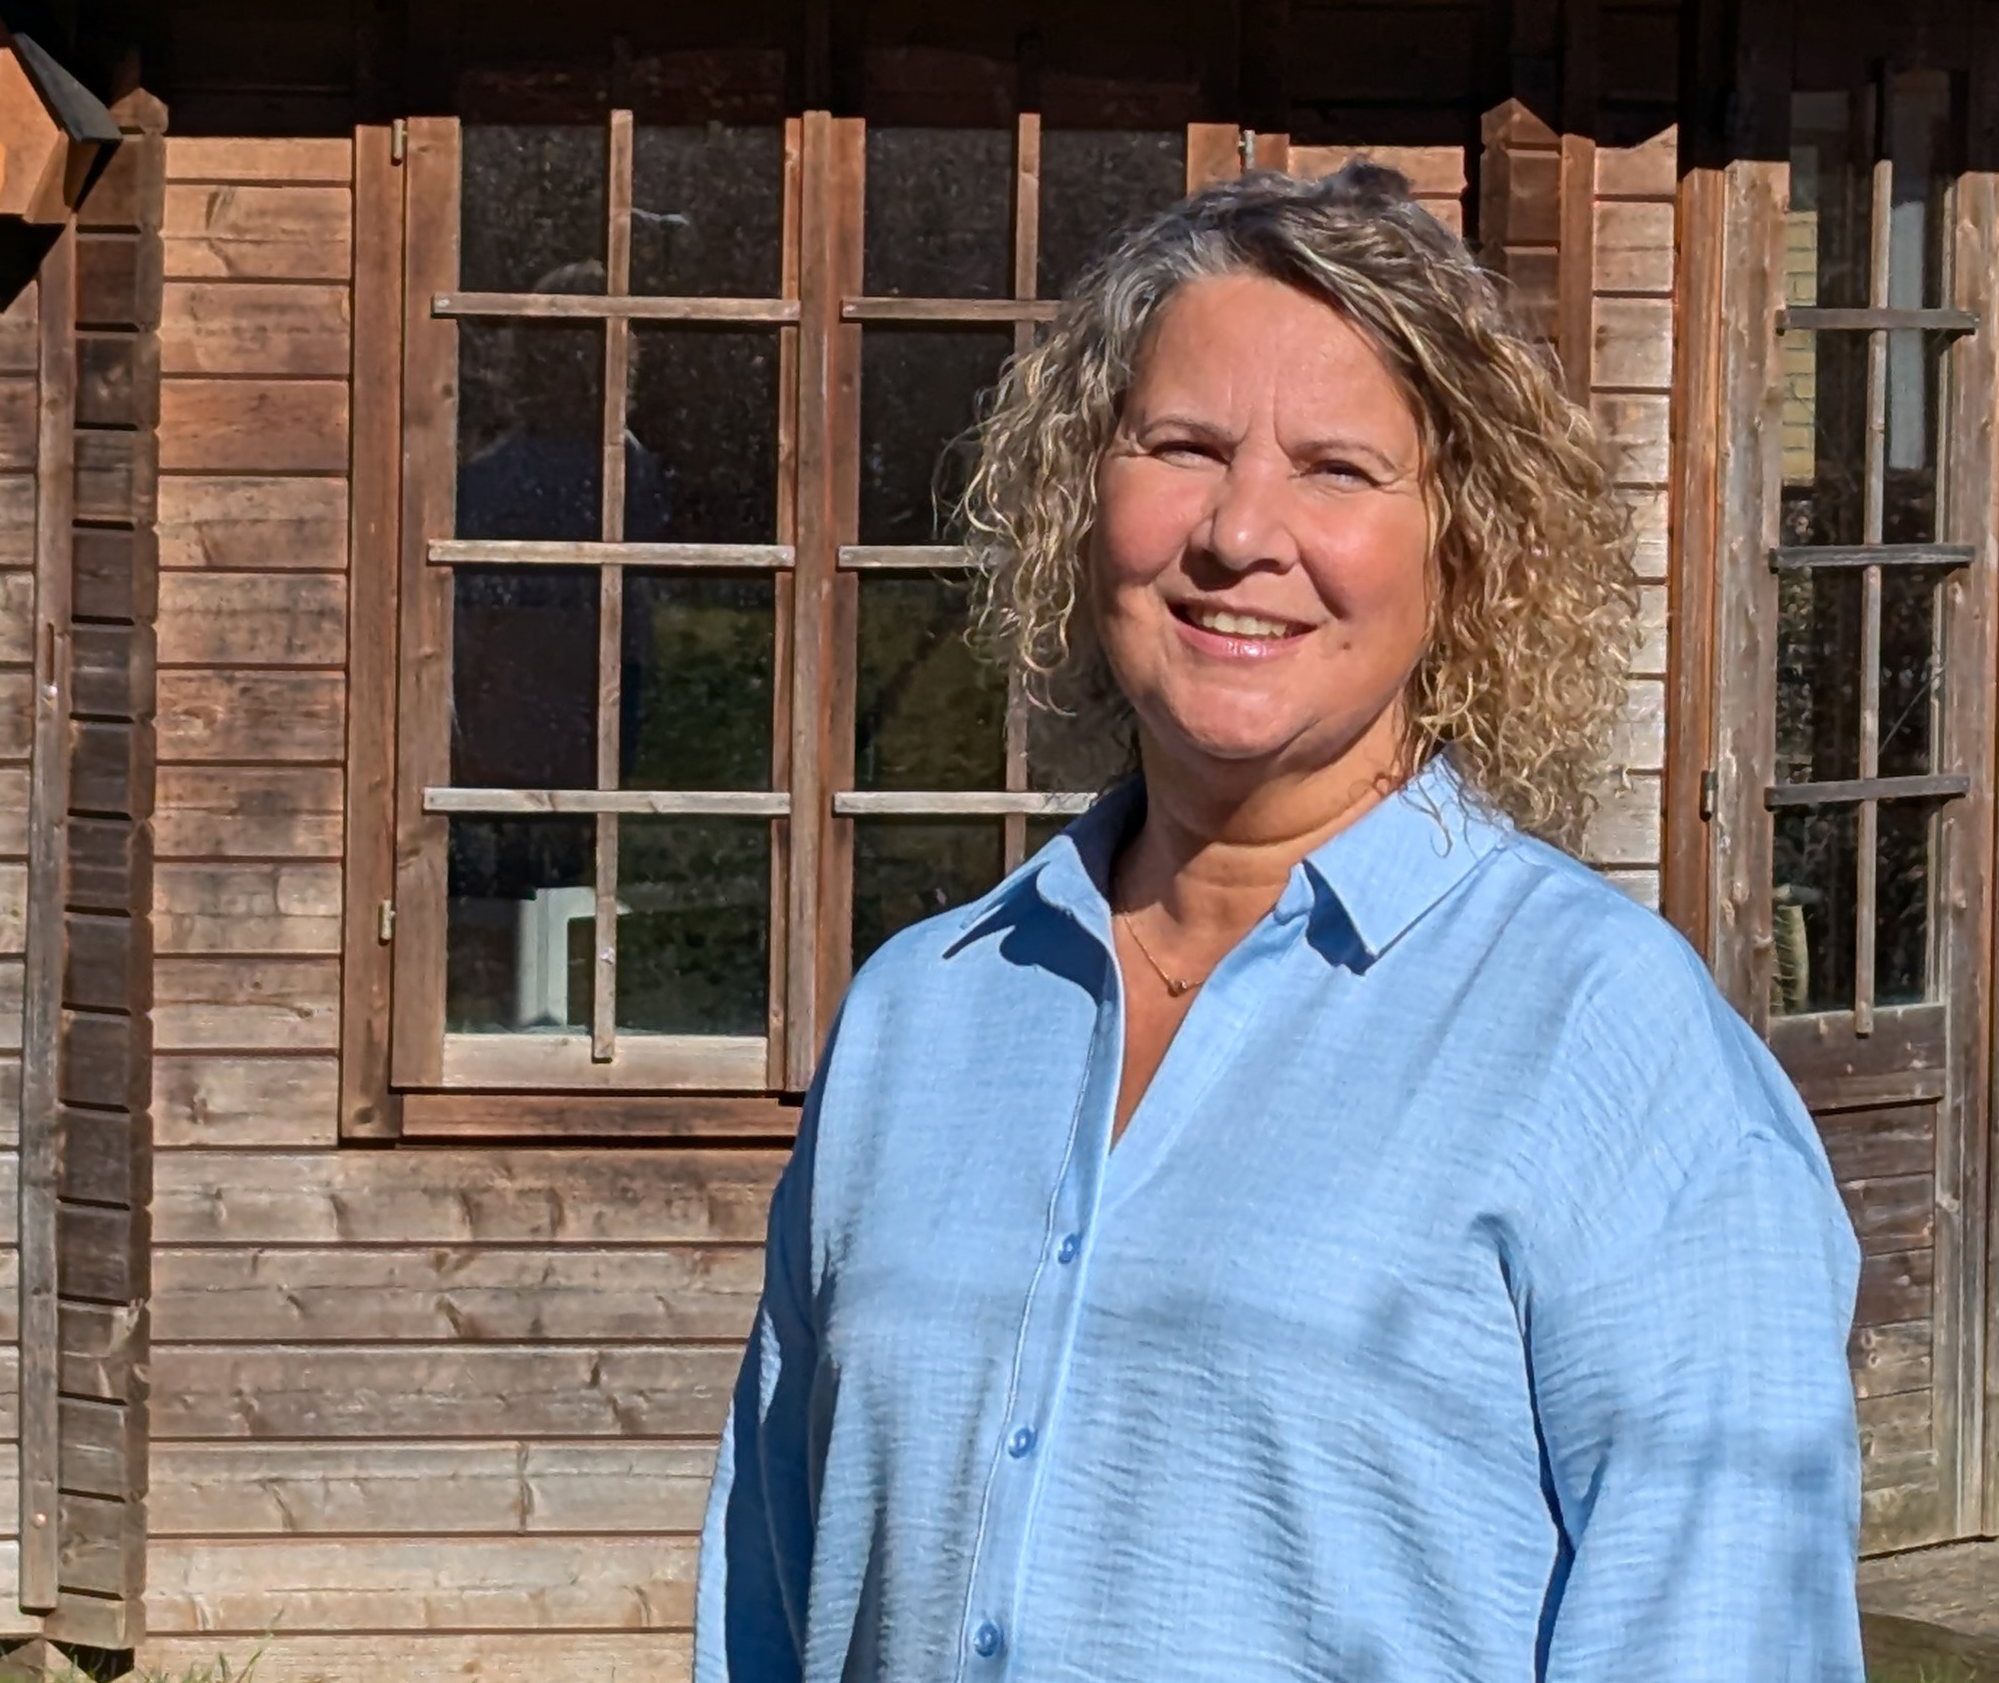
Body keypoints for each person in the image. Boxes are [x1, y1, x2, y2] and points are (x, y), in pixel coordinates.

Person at [695, 161, 1863, 1683]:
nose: (1241, 531)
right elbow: (771, 1601)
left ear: (1466, 545)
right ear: (1082, 496)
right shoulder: (922, 1018)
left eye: (1337, 469)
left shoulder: (1611, 1046)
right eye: (1183, 447)